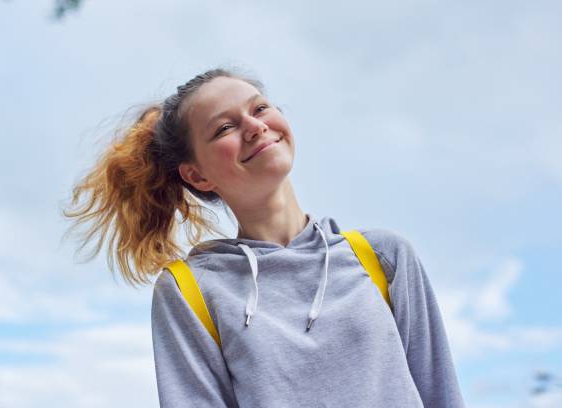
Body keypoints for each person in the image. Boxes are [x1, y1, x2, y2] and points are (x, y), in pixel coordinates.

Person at [62, 67, 466, 407]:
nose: (255, 127)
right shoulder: (191, 291)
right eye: (225, 127)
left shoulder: (382, 257)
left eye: (259, 108)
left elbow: (441, 397)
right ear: (197, 175)